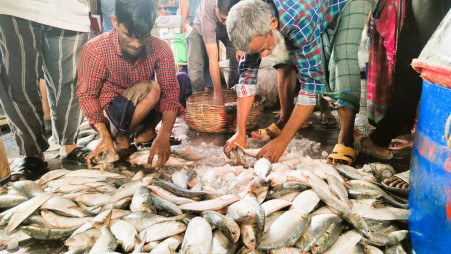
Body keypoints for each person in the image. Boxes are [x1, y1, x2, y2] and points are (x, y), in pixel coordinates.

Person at [224, 0, 371, 165]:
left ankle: (347, 138)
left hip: (347, 3)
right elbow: (248, 74)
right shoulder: (252, 17)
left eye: (264, 48)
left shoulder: (301, 19)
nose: (263, 56)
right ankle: (285, 120)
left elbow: (311, 85)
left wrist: (282, 141)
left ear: (273, 23)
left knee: (342, 56)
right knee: (284, 62)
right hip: (316, 10)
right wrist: (240, 132)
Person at [77, 0, 184, 169]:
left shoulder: (161, 49)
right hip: (111, 117)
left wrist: (165, 134)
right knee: (152, 89)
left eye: (143, 37)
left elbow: (170, 92)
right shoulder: (95, 50)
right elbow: (87, 95)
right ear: (115, 22)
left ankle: (146, 133)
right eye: (128, 35)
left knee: (181, 81)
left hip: (141, 110)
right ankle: (120, 137)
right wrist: (104, 135)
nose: (136, 44)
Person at [359, 0, 451, 192]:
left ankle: (389, 135)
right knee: (416, 75)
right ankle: (382, 138)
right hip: (426, 24)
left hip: (422, 26)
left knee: (412, 75)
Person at [0, 0, 90, 181]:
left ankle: (69, 144)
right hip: (15, 7)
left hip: (72, 10)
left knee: (70, 81)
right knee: (17, 83)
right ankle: (32, 153)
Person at [187, 0, 243, 105]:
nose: (226, 24)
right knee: (195, 69)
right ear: (215, 7)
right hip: (201, 28)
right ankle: (198, 105)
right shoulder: (208, 9)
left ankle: (233, 98)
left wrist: (241, 46)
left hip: (230, 31)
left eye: (229, 20)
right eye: (223, 19)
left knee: (238, 62)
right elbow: (213, 57)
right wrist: (218, 91)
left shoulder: (240, 6)